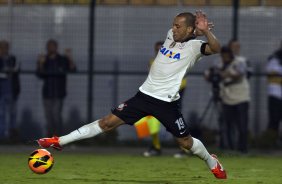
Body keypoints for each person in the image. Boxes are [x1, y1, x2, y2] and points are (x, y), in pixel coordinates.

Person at [37, 11, 227, 179]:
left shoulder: (195, 47)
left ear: (188, 29)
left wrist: (205, 32)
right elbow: (184, 34)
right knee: (107, 123)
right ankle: (59, 141)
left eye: (178, 26)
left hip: (167, 103)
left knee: (185, 142)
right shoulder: (170, 36)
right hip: (143, 96)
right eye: (173, 25)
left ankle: (212, 162)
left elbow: (217, 49)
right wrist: (194, 29)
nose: (173, 29)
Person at [36, 39, 76, 137]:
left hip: (59, 92)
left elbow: (73, 69)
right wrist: (40, 63)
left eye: (52, 46)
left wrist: (70, 57)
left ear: (56, 47)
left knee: (56, 115)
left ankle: (57, 136)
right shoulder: (45, 60)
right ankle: (50, 135)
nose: (50, 48)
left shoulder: (62, 59)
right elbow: (39, 75)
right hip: (47, 92)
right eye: (49, 46)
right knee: (49, 116)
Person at [217, 46, 250, 153]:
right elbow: (211, 74)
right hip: (227, 98)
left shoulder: (239, 61)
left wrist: (225, 74)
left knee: (242, 125)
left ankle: (242, 149)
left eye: (227, 55)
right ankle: (229, 148)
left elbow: (240, 74)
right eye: (223, 55)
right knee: (227, 125)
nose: (225, 58)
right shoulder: (220, 64)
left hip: (241, 98)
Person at [0, 40, 20, 141]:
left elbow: (16, 69)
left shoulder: (12, 58)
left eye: (6, 47)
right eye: (2, 47)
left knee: (13, 113)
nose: (4, 49)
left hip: (12, 91)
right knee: (1, 114)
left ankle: (12, 136)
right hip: (1, 92)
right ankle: (2, 135)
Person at [266, 41, 282, 141]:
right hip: (275, 95)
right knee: (274, 120)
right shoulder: (274, 58)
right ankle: (270, 142)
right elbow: (270, 70)